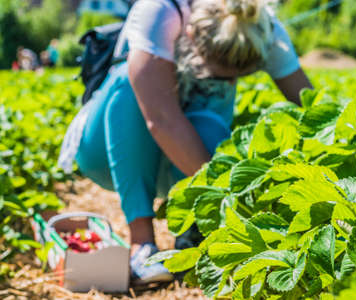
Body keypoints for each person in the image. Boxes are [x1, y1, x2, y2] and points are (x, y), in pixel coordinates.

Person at [58, 0, 312, 285]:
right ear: (191, 35)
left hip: (180, 162)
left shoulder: (260, 29)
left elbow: (311, 108)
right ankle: (142, 244)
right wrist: (232, 199)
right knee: (128, 81)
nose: (222, 80)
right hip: (106, 152)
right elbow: (161, 120)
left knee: (209, 113)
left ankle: (192, 234)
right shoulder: (160, 11)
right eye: (213, 71)